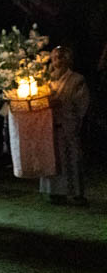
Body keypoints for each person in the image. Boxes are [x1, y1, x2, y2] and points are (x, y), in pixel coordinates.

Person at [40, 46, 90, 206]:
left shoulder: (77, 79)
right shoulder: (45, 79)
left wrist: (67, 111)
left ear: (68, 59)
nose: (57, 60)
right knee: (54, 160)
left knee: (72, 159)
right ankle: (55, 193)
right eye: (54, 57)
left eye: (61, 57)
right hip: (50, 126)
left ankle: (76, 193)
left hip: (68, 125)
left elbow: (82, 103)